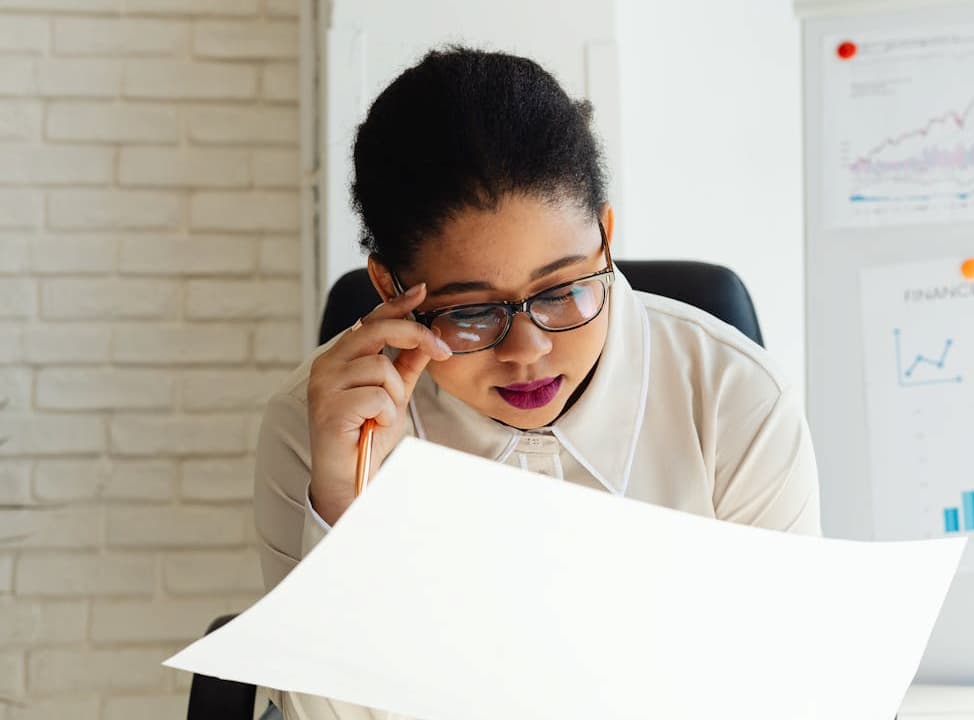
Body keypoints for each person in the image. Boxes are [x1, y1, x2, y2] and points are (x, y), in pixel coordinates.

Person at [253, 46, 822, 719]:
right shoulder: (317, 427)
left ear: (605, 240)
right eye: (470, 311)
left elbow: (791, 692)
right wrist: (348, 505)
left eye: (560, 291)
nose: (528, 350)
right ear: (390, 289)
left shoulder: (735, 402)